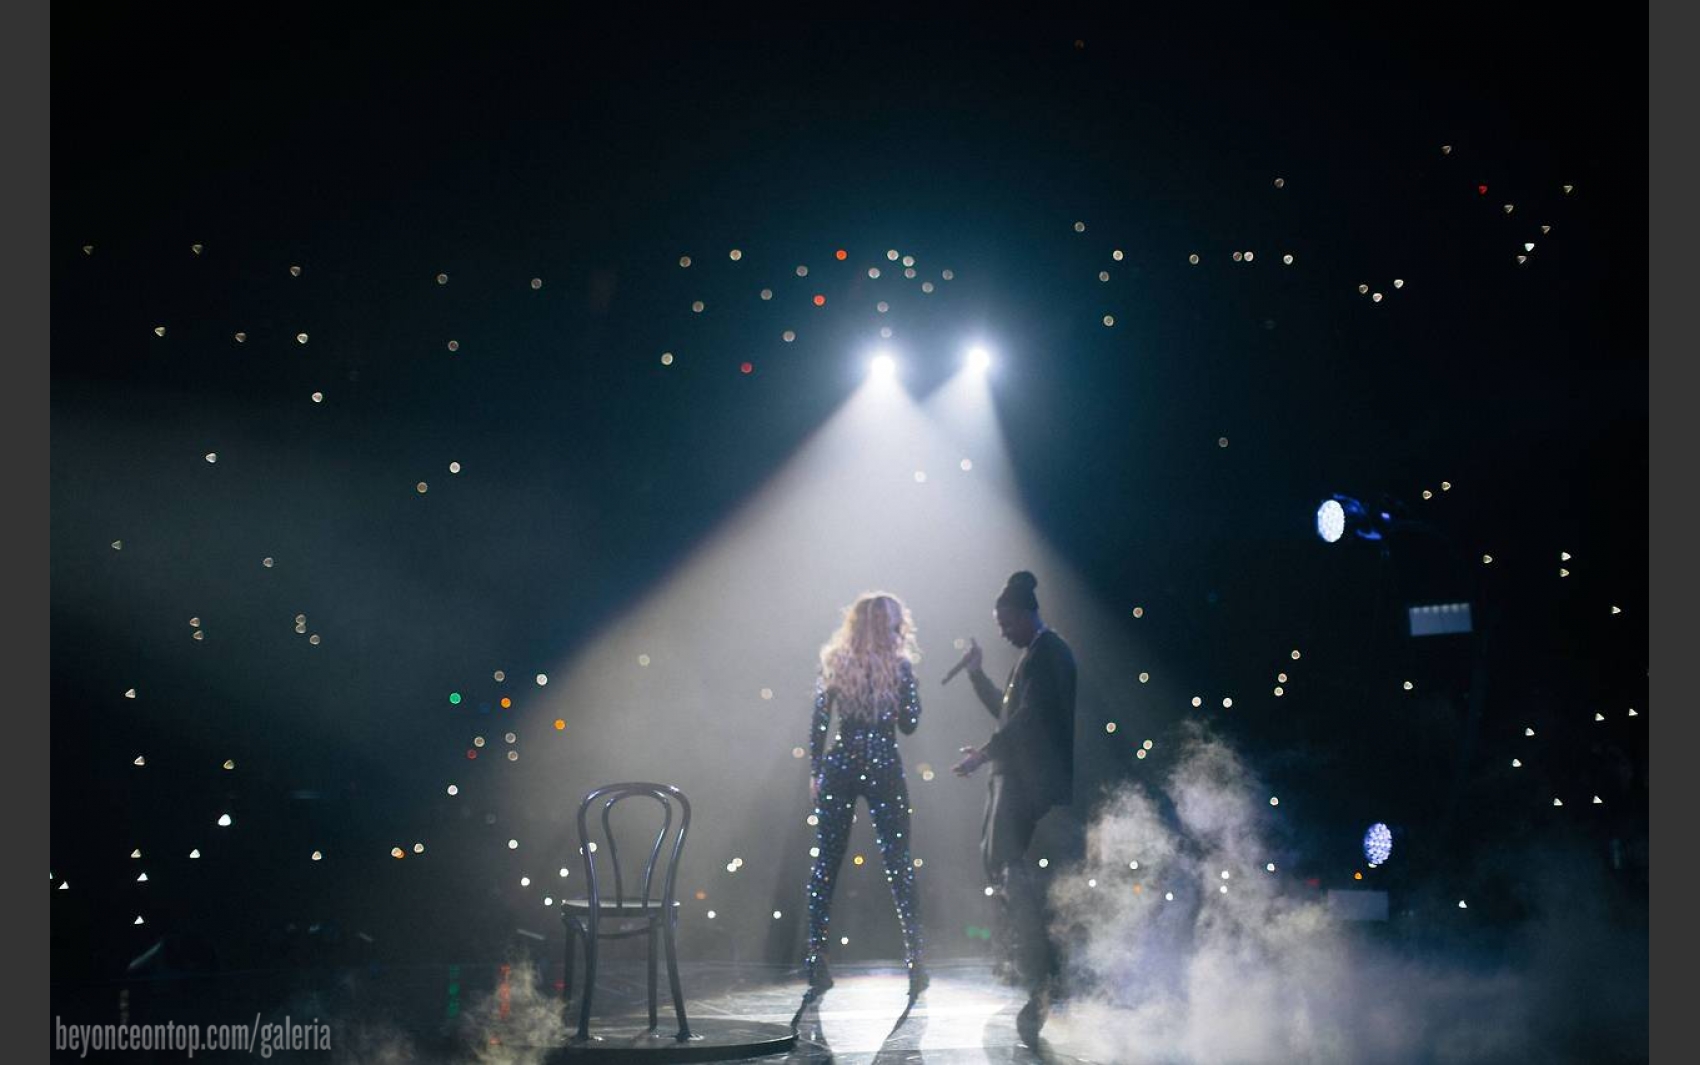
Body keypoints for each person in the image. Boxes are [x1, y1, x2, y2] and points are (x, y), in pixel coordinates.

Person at [951, 570, 1076, 1047]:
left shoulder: (1049, 655)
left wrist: (985, 752)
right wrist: (977, 672)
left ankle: (1042, 973)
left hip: (1031, 790)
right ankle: (1034, 967)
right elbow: (1008, 714)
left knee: (1017, 880)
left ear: (1024, 615)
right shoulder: (1032, 656)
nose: (1001, 631)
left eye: (1005, 622)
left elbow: (1027, 721)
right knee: (1003, 873)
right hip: (1015, 784)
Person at [804, 592, 928, 999]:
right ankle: (915, 958)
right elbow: (909, 724)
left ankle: (816, 953)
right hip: (882, 763)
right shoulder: (900, 665)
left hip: (841, 761)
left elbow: (820, 722)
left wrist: (817, 772)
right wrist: (904, 694)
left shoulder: (836, 660)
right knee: (898, 861)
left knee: (827, 860)